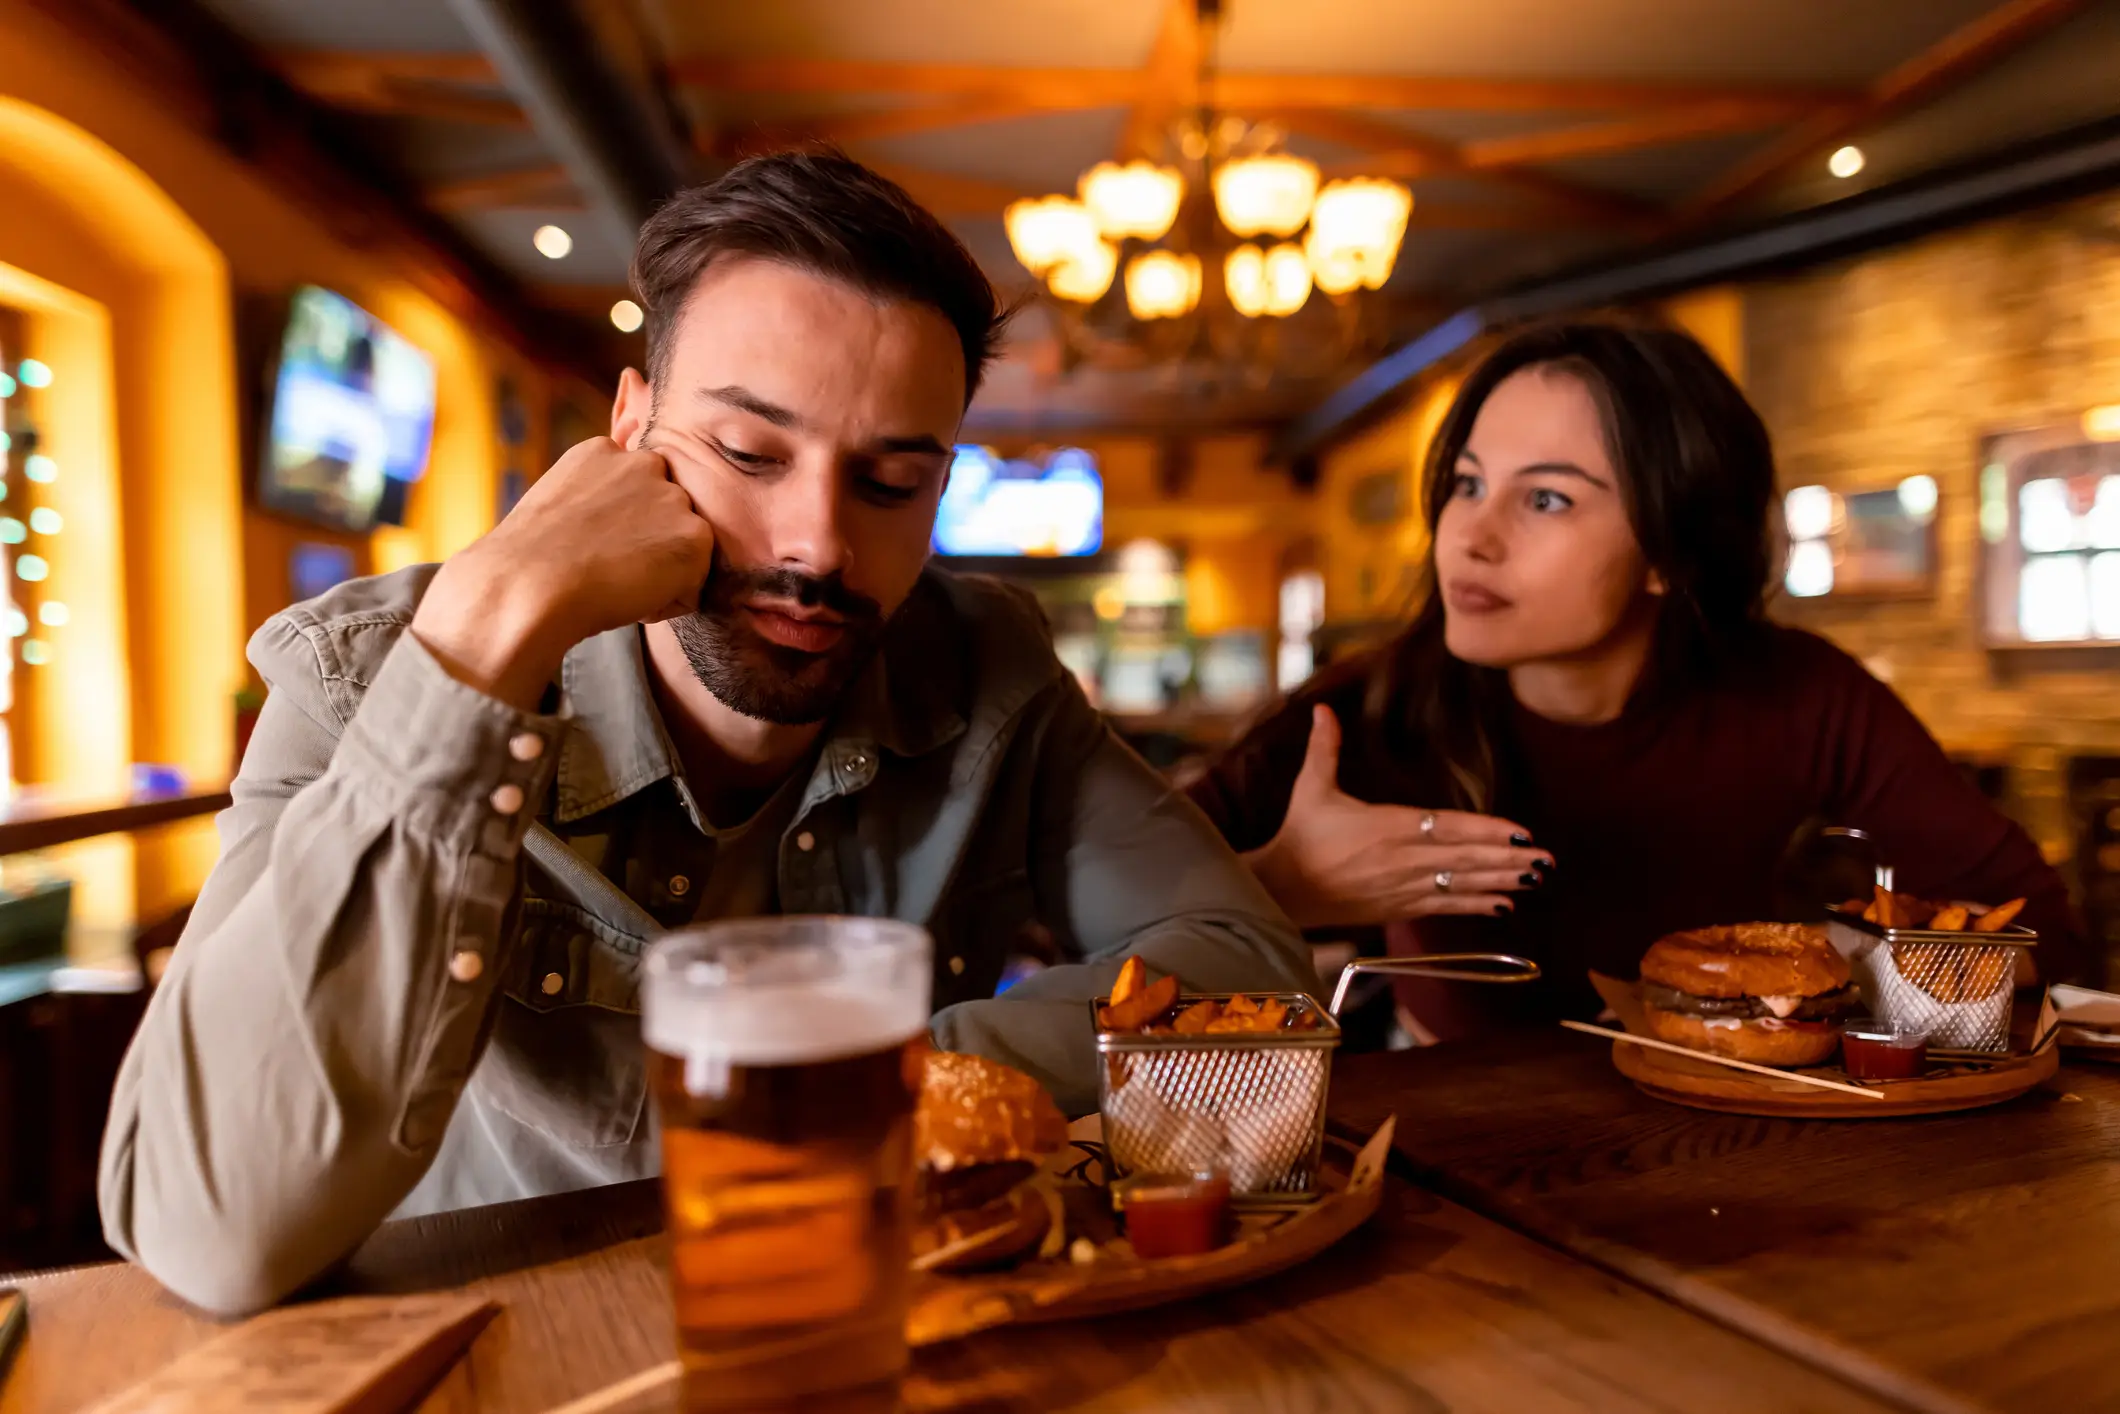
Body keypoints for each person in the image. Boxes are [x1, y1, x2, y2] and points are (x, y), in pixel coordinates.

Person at [99, 151, 1313, 1315]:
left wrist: (874, 1080)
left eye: (890, 483)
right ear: (630, 428)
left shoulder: (986, 665)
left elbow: (1245, 973)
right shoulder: (361, 673)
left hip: (891, 1329)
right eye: (746, 452)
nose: (816, 544)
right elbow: (211, 1231)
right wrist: (480, 638)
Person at [1189, 321, 2084, 1038]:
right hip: (1444, 1144)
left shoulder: (1795, 691)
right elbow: (1074, 931)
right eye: (1467, 484)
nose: (1470, 535)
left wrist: (1823, 973)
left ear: (1672, 548)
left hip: (1722, 1140)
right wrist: (1280, 887)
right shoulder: (1363, 711)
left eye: (1545, 499)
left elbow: (2049, 934)